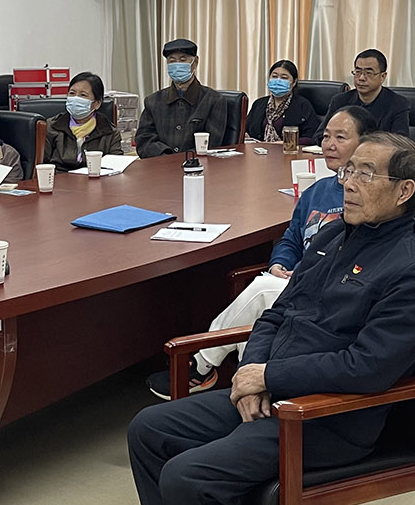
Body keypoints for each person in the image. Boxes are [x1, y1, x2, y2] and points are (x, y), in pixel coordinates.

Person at [128, 133, 415, 505]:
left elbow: (367, 368)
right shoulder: (334, 235)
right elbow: (276, 313)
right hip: (276, 388)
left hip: (326, 418)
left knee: (189, 474)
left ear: (404, 190)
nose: (348, 183)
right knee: (151, 429)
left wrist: (272, 377)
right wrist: (250, 372)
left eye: (366, 174)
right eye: (348, 171)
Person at [147, 104, 377, 399]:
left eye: (341, 137)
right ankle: (247, 393)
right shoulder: (317, 191)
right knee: (264, 307)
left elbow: (355, 258)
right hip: (294, 283)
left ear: (366, 144)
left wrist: (299, 273)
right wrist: (279, 263)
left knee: (262, 290)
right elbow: (292, 238)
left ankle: (201, 366)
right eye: (326, 136)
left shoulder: (364, 199)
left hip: (325, 291)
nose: (329, 145)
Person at [135, 38, 229, 157]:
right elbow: (144, 139)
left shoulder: (214, 100)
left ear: (195, 62)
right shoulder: (153, 101)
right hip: (160, 164)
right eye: (172, 61)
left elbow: (211, 144)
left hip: (198, 165)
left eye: (183, 60)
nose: (177, 65)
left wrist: (184, 160)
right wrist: (166, 158)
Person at [43, 71, 124, 171]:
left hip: (96, 178)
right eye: (72, 93)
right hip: (59, 178)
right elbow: (42, 164)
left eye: (83, 95)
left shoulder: (110, 132)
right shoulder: (52, 126)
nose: (75, 99)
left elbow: (116, 167)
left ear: (97, 103)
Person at [323, 49, 410, 134]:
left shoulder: (398, 104)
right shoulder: (340, 101)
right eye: (358, 72)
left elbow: (400, 140)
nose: (361, 78)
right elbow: (320, 134)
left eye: (368, 73)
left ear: (382, 77)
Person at [243, 59, 319, 144]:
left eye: (284, 78)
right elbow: (245, 129)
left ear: (294, 82)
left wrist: (285, 142)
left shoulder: (303, 105)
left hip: (288, 150)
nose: (278, 81)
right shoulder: (259, 104)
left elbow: (312, 137)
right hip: (258, 149)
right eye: (274, 76)